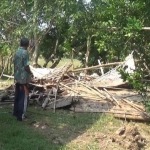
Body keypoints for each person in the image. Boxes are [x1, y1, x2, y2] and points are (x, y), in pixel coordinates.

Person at [13, 37, 33, 121]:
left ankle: (16, 112)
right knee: (24, 97)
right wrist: (30, 73)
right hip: (23, 78)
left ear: (20, 44)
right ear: (27, 45)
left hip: (17, 77)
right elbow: (26, 66)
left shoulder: (17, 52)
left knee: (17, 95)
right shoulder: (25, 53)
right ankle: (21, 116)